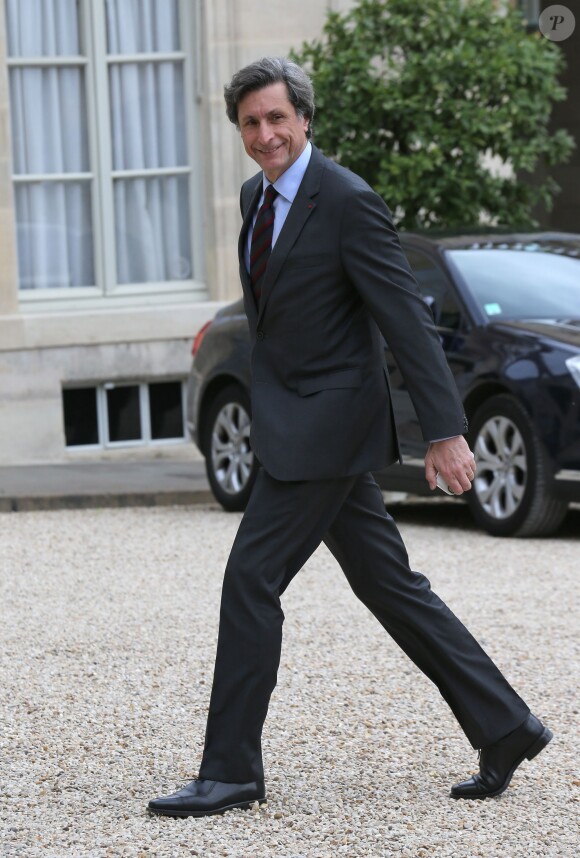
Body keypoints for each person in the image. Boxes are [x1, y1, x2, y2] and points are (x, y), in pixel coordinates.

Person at [148, 57, 552, 818]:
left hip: (327, 429)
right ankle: (506, 726)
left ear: (305, 118)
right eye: (250, 123)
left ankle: (231, 770)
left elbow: (404, 318)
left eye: (277, 118)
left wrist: (445, 430)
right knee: (390, 586)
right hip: (292, 422)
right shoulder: (254, 197)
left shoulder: (348, 200)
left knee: (250, 581)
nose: (265, 134)